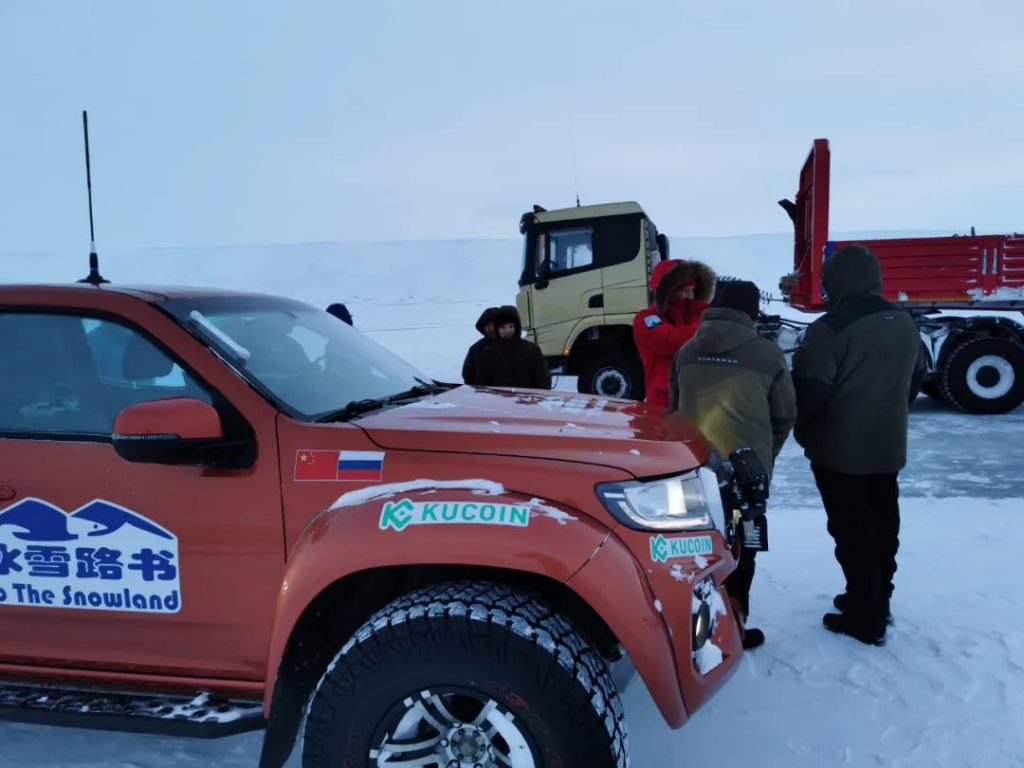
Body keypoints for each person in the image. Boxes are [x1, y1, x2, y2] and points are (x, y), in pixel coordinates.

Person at [792, 244, 925, 646]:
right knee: (884, 526)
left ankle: (866, 619)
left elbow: (810, 397)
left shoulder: (829, 329)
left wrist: (801, 429)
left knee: (853, 533)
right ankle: (874, 598)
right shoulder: (904, 322)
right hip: (888, 447)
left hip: (839, 453)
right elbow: (915, 381)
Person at [669, 280, 796, 649]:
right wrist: (763, 456)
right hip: (746, 477)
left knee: (696, 548)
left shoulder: (687, 351)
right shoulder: (768, 354)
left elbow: (675, 413)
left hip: (693, 471)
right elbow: (785, 415)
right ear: (751, 311)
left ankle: (690, 628)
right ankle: (733, 625)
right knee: (744, 546)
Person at [633, 259, 715, 409]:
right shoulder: (645, 319)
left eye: (692, 290)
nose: (690, 296)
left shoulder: (699, 315)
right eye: (685, 291)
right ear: (668, 292)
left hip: (699, 401)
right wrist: (710, 326)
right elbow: (671, 341)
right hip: (663, 403)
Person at [474, 305, 551, 389]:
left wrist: (532, 399)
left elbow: (543, 379)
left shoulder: (531, 350)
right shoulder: (487, 353)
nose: (507, 331)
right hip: (497, 400)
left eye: (511, 326)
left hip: (526, 400)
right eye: (502, 327)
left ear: (517, 327)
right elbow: (481, 383)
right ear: (497, 329)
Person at [461, 307, 499, 385]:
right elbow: (467, 376)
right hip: (483, 394)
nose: (492, 328)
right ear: (483, 327)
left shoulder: (516, 346)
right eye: (488, 325)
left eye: (495, 324)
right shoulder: (475, 349)